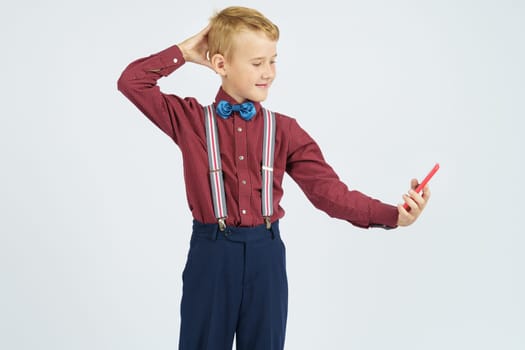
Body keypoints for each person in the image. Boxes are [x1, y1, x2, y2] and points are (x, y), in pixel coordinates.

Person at [117, 6, 430, 350]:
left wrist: (393, 215)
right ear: (221, 65)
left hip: (266, 257)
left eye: (273, 60)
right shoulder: (191, 120)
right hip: (211, 256)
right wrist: (184, 52)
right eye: (257, 63)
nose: (269, 73)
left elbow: (329, 193)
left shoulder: (285, 131)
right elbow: (131, 82)